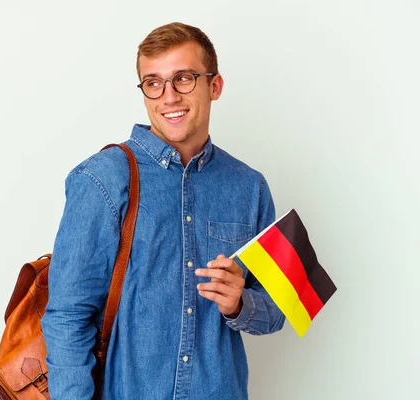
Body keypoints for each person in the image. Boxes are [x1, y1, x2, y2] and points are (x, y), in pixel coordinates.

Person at [41, 22, 285, 400]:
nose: (168, 96)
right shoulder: (102, 179)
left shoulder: (250, 187)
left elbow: (278, 310)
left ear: (214, 86)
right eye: (153, 83)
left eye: (183, 79)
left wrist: (240, 303)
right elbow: (68, 318)